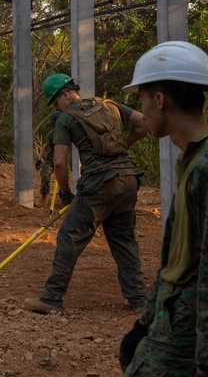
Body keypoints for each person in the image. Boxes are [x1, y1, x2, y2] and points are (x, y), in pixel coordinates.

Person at [109, 41, 208, 377]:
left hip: (187, 335)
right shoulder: (195, 160)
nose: (140, 111)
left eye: (141, 100)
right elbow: (175, 257)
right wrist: (144, 324)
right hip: (171, 322)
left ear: (160, 100)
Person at [24, 73, 149, 315]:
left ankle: (51, 298)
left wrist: (65, 194)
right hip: (128, 179)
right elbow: (143, 122)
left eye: (55, 102)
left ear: (66, 95)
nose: (56, 108)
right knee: (124, 241)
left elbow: (59, 163)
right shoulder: (109, 105)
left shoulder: (67, 118)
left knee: (69, 237)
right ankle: (138, 300)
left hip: (99, 185)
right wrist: (124, 146)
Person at [36, 111, 64, 206]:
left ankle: (64, 199)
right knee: (45, 176)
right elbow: (44, 147)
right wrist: (39, 159)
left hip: (62, 158)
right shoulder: (51, 134)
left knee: (63, 179)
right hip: (51, 159)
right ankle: (44, 199)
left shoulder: (67, 133)